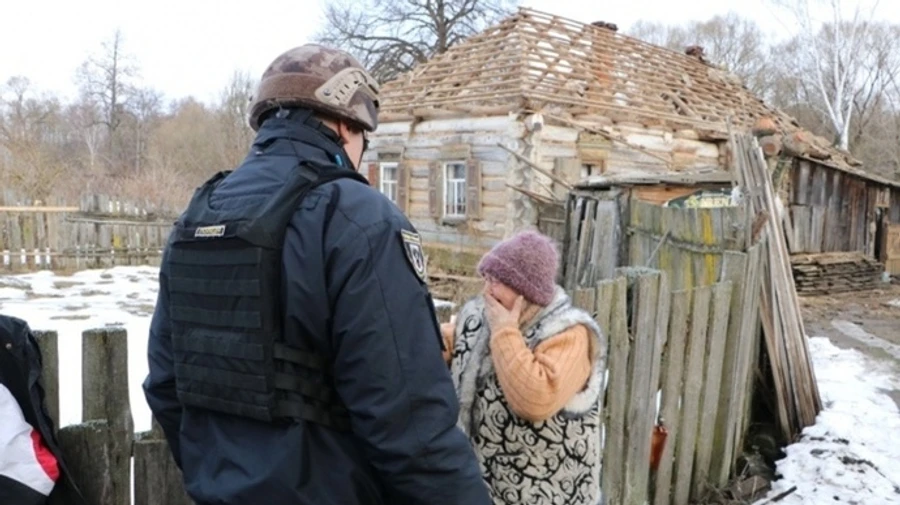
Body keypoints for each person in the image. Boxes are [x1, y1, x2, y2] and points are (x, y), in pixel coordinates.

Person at [142, 44, 491, 505]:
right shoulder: (360, 218)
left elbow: (166, 385)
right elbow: (410, 427)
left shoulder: (199, 215)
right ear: (349, 122)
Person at [441, 229, 607, 505]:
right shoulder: (483, 316)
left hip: (551, 494)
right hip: (486, 490)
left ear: (525, 290)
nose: (487, 290)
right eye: (487, 278)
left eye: (497, 281)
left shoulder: (568, 334)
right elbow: (450, 342)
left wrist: (505, 330)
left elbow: (535, 399)